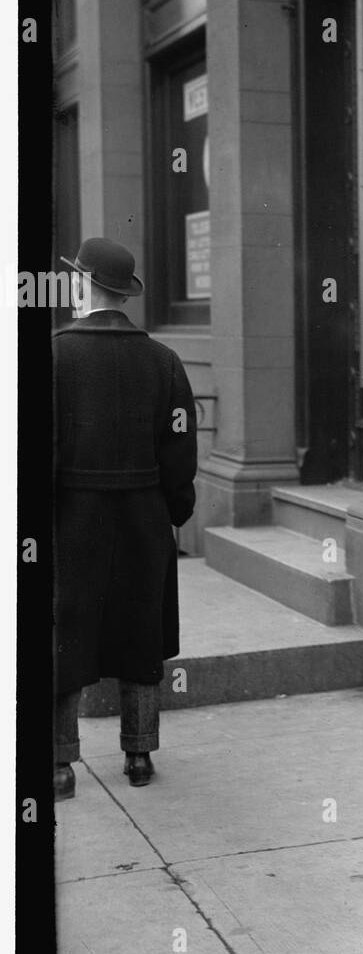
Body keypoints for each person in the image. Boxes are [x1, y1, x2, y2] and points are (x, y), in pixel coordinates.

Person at [52, 238, 198, 800]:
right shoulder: (164, 361)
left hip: (72, 518)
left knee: (64, 634)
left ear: (83, 285)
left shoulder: (55, 356)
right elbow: (179, 450)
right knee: (142, 631)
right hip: (144, 515)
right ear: (123, 293)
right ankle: (138, 754)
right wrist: (173, 510)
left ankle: (61, 765)